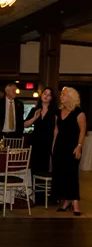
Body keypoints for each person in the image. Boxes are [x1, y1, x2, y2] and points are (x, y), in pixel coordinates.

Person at [52, 87, 87, 216]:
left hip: (72, 147)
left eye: (64, 94)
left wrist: (79, 146)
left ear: (71, 97)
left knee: (71, 174)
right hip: (60, 146)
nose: (61, 96)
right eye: (61, 94)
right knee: (61, 174)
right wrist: (53, 145)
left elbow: (83, 130)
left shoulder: (79, 112)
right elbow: (56, 129)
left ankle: (75, 202)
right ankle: (66, 201)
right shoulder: (58, 111)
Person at [24, 87, 57, 176]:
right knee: (35, 167)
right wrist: (35, 117)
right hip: (35, 142)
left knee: (46, 168)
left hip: (48, 142)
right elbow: (25, 125)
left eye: (49, 95)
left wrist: (54, 144)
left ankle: (43, 189)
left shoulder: (55, 111)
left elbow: (56, 129)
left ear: (52, 98)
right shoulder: (34, 110)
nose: (46, 96)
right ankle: (34, 188)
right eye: (44, 93)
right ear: (41, 95)